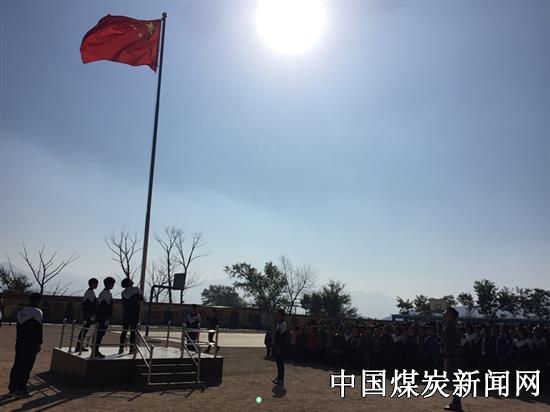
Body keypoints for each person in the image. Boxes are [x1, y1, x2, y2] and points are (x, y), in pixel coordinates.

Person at [8, 293, 43, 398]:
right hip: (31, 344)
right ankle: (22, 389)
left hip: (20, 342)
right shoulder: (37, 312)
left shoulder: (21, 312)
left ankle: (13, 388)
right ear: (38, 301)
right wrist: (38, 343)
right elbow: (38, 330)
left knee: (17, 365)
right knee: (26, 367)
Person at [441, 307, 463, 411]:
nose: (443, 313)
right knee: (453, 380)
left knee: (454, 380)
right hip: (452, 355)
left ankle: (456, 403)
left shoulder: (451, 326)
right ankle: (455, 402)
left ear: (450, 315)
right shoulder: (451, 325)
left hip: (452, 356)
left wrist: (446, 354)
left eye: (445, 312)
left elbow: (450, 343)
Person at [119, 278, 143, 354]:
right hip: (134, 313)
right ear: (128, 283)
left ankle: (121, 348)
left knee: (124, 330)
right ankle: (131, 348)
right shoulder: (136, 289)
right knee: (133, 331)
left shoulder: (123, 293)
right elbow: (141, 298)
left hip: (126, 313)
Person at [94, 277, 115, 358]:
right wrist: (108, 317)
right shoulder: (107, 294)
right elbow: (106, 306)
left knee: (99, 333)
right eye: (112, 284)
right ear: (109, 284)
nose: (113, 285)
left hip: (100, 316)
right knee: (100, 333)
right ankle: (95, 350)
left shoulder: (103, 292)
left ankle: (95, 349)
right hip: (103, 317)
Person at [75, 277, 98, 353]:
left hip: (87, 314)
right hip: (88, 315)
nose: (97, 285)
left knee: (85, 330)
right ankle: (79, 345)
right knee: (84, 330)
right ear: (93, 284)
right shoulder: (90, 292)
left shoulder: (89, 292)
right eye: (96, 284)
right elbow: (91, 305)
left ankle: (79, 345)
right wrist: (93, 314)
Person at [272, 308, 288, 386]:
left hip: (280, 347)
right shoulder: (279, 323)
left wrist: (279, 347)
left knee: (280, 363)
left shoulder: (283, 324)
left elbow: (282, 338)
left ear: (282, 315)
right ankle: (278, 377)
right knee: (278, 362)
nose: (277, 315)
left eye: (278, 314)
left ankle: (281, 379)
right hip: (277, 346)